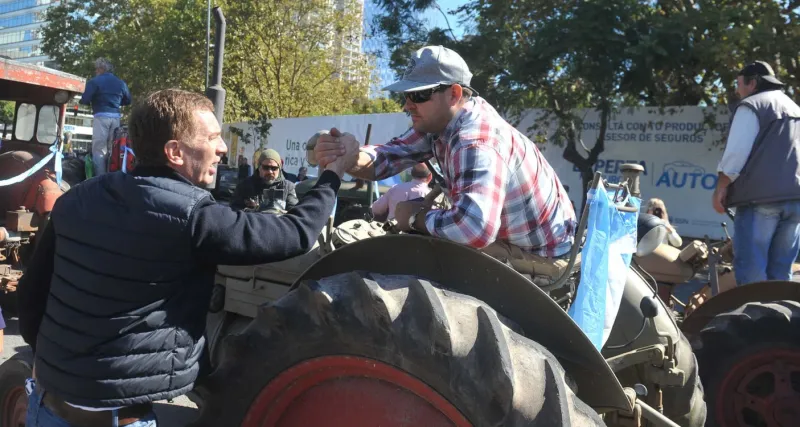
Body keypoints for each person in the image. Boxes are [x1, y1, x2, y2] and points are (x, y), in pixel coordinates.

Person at [17, 89, 347, 427]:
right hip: (115, 417)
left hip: (46, 404)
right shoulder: (195, 217)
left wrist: (45, 359)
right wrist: (332, 174)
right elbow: (296, 233)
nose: (222, 148)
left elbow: (31, 295)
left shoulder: (77, 198)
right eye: (213, 138)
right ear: (175, 151)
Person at [315, 45, 577, 261]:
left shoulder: (476, 141)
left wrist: (415, 217)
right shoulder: (441, 124)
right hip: (513, 239)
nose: (408, 105)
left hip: (541, 256)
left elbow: (474, 229)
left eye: (418, 94)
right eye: (406, 95)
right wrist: (348, 154)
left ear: (454, 93)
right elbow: (387, 156)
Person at [713, 60, 800, 285]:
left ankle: (755, 319)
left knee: (752, 277)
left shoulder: (751, 105)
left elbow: (736, 153)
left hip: (759, 202)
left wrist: (721, 186)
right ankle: (779, 320)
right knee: (781, 276)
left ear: (753, 83)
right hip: (795, 203)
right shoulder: (795, 109)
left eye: (739, 83)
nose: (737, 90)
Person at [79, 58, 132, 176]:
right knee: (113, 148)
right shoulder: (121, 83)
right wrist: (116, 103)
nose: (96, 72)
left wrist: (89, 101)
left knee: (99, 149)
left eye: (96, 69)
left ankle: (100, 178)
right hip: (116, 118)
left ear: (101, 69)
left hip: (101, 117)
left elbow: (85, 99)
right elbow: (128, 100)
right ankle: (112, 175)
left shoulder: (95, 82)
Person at [230, 149, 299, 212]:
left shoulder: (288, 187)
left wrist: (280, 213)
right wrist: (252, 211)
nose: (270, 172)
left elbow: (294, 212)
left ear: (279, 168)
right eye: (266, 167)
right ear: (259, 167)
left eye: (274, 168)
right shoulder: (245, 185)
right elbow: (233, 209)